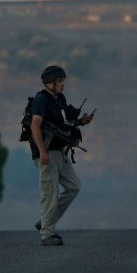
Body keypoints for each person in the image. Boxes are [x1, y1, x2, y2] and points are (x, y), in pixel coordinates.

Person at [30, 65, 93, 246]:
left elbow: (66, 122)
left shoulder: (59, 99)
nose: (62, 84)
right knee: (50, 192)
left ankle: (45, 221)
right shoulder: (41, 99)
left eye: (63, 81)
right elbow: (35, 125)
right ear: (49, 83)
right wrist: (42, 151)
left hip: (61, 152)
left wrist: (81, 122)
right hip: (47, 152)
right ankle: (47, 234)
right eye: (60, 81)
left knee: (73, 186)